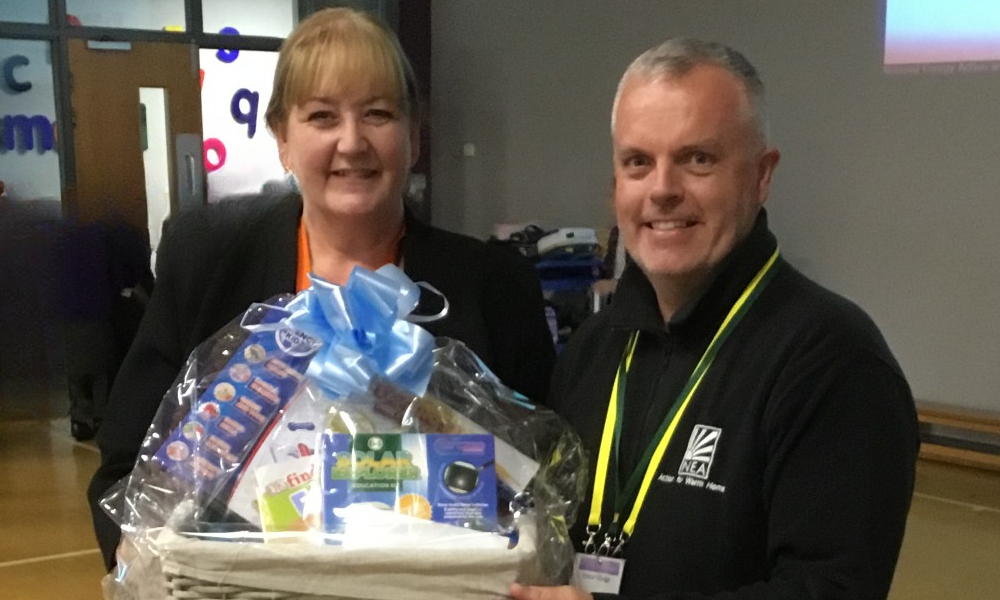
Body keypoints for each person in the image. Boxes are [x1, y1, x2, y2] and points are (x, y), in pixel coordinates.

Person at [87, 7, 555, 570]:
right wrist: (142, 559)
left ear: (413, 136)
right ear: (282, 138)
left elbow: (536, 491)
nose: (352, 142)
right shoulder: (207, 262)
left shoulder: (497, 287)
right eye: (322, 116)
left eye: (378, 114)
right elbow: (127, 469)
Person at [515, 39, 918, 600]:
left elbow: (829, 590)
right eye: (638, 162)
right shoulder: (593, 348)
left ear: (761, 175)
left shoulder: (835, 361)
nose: (662, 190)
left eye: (697, 159)